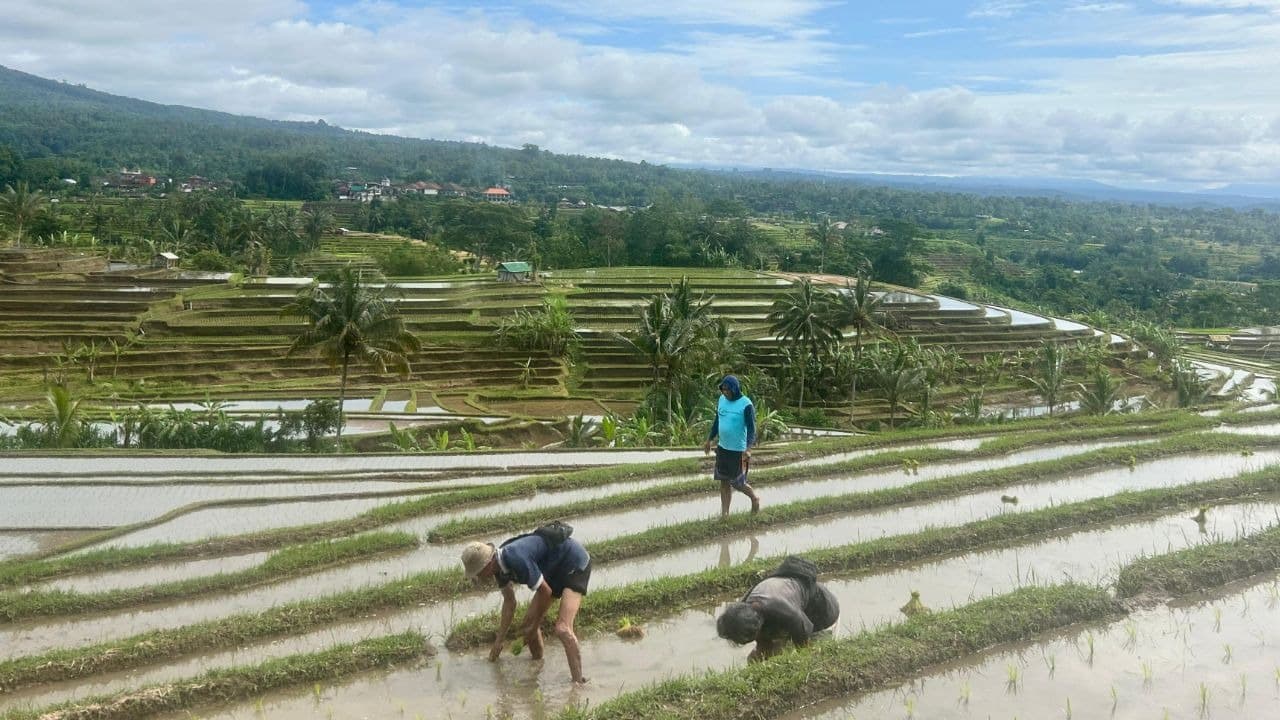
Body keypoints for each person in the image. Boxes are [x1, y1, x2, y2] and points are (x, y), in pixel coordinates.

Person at [461, 527, 591, 684]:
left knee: (562, 628)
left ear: (487, 565)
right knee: (527, 625)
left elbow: (546, 592)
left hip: (574, 563)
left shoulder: (515, 558)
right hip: (552, 570)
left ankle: (578, 685)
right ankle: (538, 663)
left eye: (478, 573)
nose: (478, 577)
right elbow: (510, 602)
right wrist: (499, 640)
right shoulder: (499, 568)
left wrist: (535, 624)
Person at [716, 555, 840, 661]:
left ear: (757, 628)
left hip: (822, 613)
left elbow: (804, 641)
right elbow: (763, 646)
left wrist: (805, 657)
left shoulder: (785, 611)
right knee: (755, 660)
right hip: (789, 612)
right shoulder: (745, 608)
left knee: (817, 658)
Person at [703, 374, 762, 516]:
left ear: (735, 389)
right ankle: (725, 514)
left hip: (739, 451)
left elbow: (752, 429)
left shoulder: (746, 404)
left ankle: (754, 498)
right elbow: (717, 421)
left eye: (728, 390)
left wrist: (748, 449)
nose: (725, 393)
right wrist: (709, 439)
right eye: (723, 390)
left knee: (738, 483)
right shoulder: (721, 400)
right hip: (723, 448)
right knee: (723, 481)